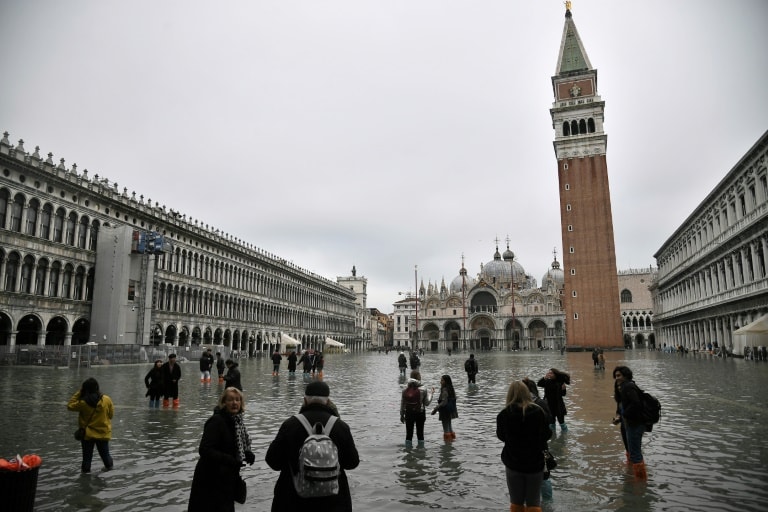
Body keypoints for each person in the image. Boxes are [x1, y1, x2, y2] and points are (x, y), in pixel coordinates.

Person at [265, 381, 360, 511]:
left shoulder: (290, 425)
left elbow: (272, 461)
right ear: (328, 401)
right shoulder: (340, 426)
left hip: (292, 500)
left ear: (305, 400)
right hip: (333, 502)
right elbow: (352, 463)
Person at [188, 387, 255, 511]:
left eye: (237, 400)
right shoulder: (216, 421)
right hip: (210, 480)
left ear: (241, 403)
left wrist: (247, 453)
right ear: (223, 403)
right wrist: (229, 459)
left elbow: (236, 445)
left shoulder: (238, 422)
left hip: (226, 480)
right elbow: (204, 449)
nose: (234, 403)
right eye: (230, 400)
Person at [496, 380, 552, 512]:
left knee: (516, 503)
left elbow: (501, 436)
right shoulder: (538, 412)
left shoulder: (503, 414)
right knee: (533, 503)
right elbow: (547, 435)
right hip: (534, 463)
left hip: (513, 463)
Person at [67, 377, 115, 473]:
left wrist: (80, 392)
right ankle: (110, 472)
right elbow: (111, 415)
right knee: (106, 456)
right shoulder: (106, 399)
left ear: (85, 389)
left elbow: (70, 405)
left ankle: (85, 477)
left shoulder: (83, 403)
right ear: (97, 387)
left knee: (86, 459)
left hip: (87, 435)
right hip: (103, 434)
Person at [613, 366, 647, 480]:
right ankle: (632, 469)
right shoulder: (621, 387)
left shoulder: (628, 386)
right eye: (615, 376)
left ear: (626, 376)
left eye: (619, 376)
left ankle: (641, 482)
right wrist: (619, 416)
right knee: (629, 449)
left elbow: (636, 404)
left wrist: (624, 415)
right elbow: (621, 405)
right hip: (626, 423)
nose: (616, 378)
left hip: (635, 423)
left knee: (635, 453)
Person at [523, 378, 554, 501]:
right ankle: (546, 502)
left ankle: (544, 502)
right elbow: (549, 425)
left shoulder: (538, 403)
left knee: (541, 476)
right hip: (540, 446)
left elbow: (549, 422)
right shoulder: (540, 402)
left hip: (534, 447)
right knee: (543, 476)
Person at [400, 370, 434, 448]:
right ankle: (421, 454)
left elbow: (402, 404)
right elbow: (427, 403)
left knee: (409, 434)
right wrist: (431, 394)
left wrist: (402, 415)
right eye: (420, 375)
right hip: (420, 413)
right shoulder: (423, 389)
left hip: (408, 413)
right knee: (420, 433)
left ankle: (408, 454)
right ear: (418, 377)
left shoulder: (405, 389)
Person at [432, 374, 458, 441]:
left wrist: (435, 409)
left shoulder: (444, 390)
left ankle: (447, 446)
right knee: (449, 426)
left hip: (445, 411)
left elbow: (444, 402)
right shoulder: (451, 389)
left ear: (446, 381)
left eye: (442, 380)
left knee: (446, 429)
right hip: (451, 410)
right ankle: (452, 440)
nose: (440, 382)